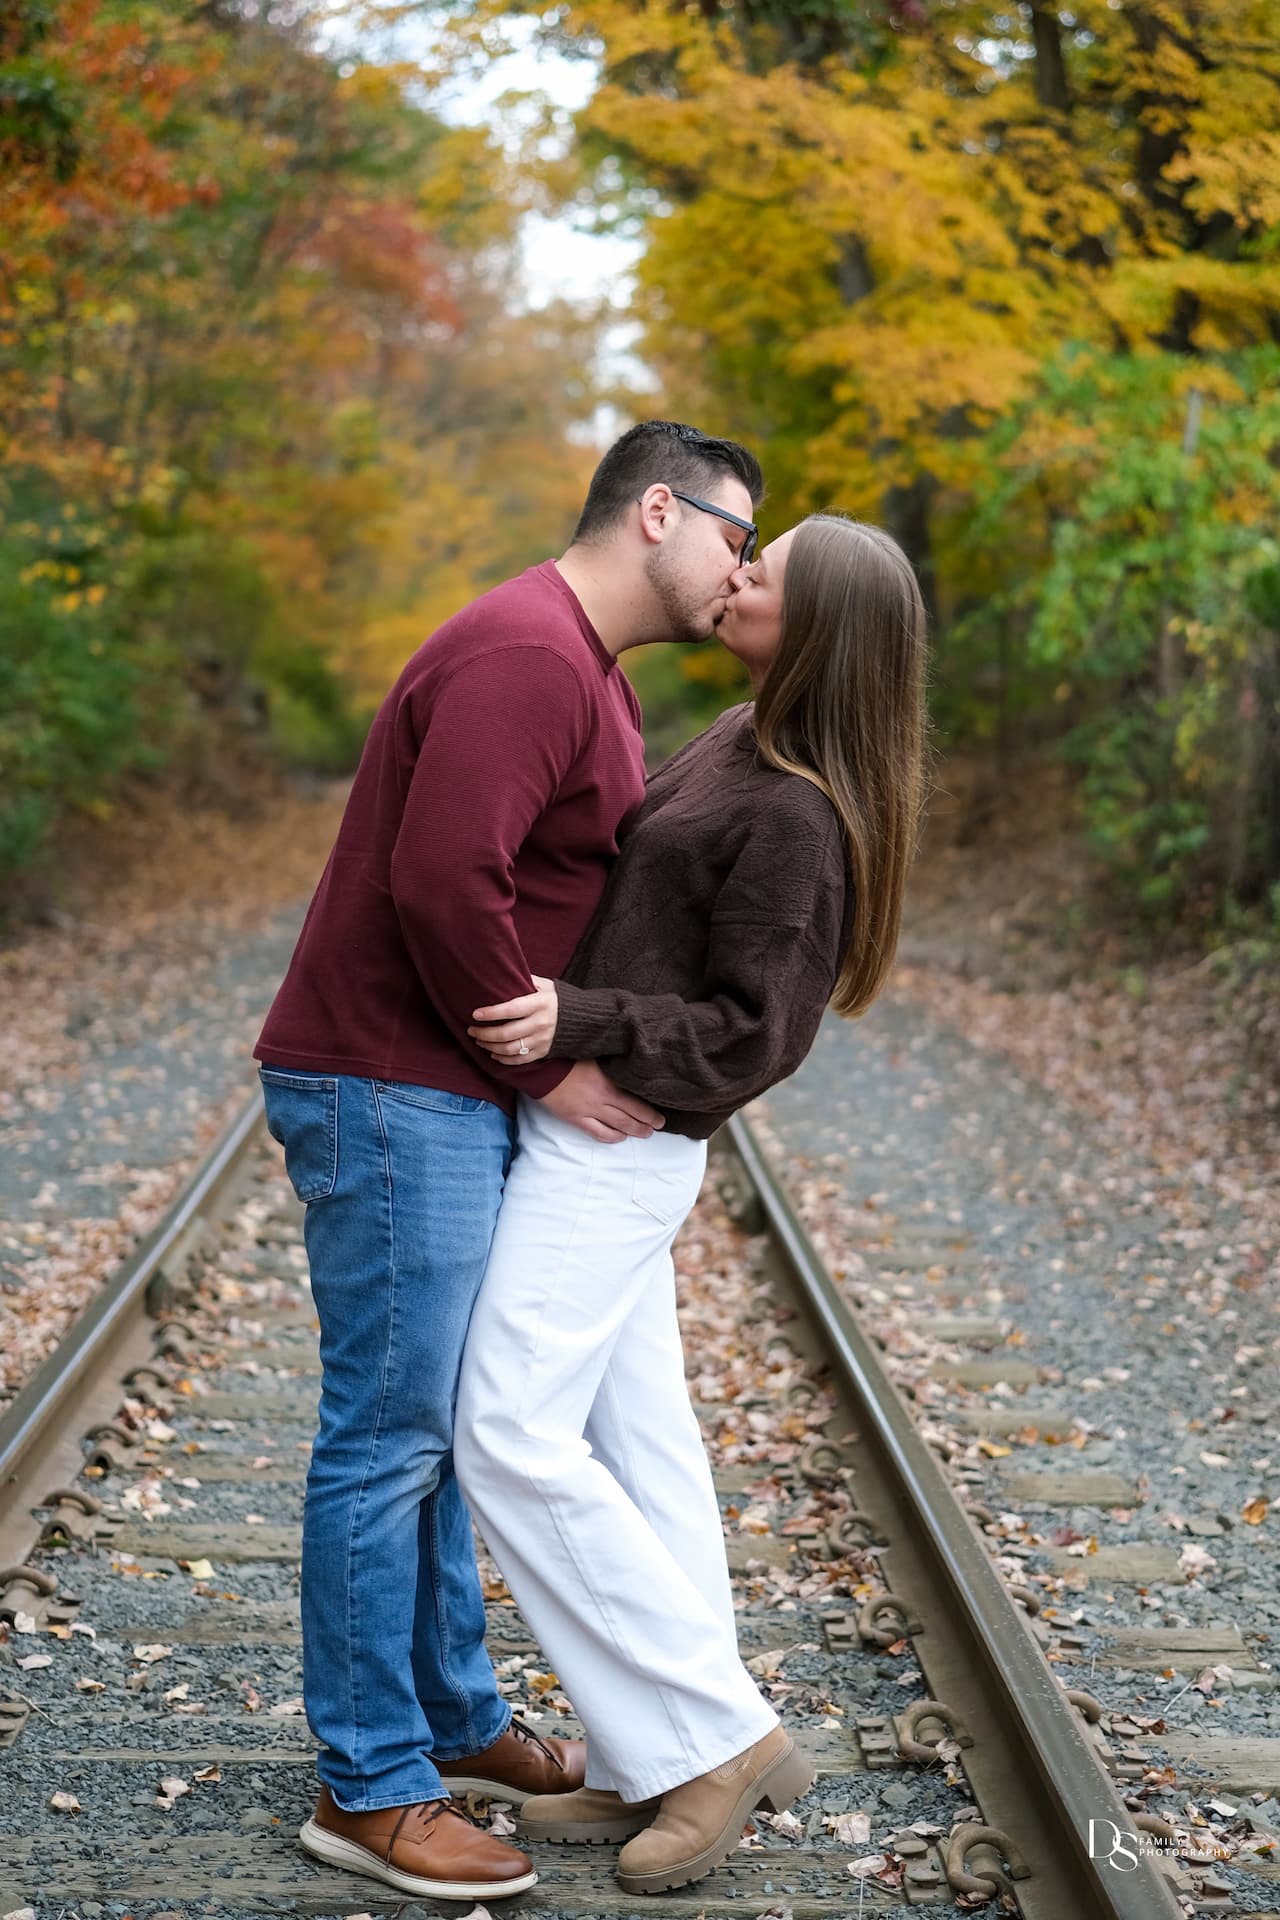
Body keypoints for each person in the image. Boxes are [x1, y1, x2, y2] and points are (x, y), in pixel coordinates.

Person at [252, 421, 765, 1905]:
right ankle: (370, 1784)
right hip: (388, 1080)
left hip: (434, 1084)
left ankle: (456, 1718)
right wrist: (553, 1063)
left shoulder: (582, 669)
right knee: (392, 1433)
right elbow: (439, 878)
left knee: (438, 1424)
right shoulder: (529, 656)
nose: (741, 565)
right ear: (658, 510)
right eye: (737, 532)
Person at [454, 513, 930, 1898]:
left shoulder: (799, 812)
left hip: (627, 1140)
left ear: (820, 625)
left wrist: (575, 1021)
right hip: (613, 1133)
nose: (737, 575)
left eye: (764, 572)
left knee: (508, 1430)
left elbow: (755, 1035)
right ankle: (645, 1748)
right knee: (635, 1433)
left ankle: (713, 1737)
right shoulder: (741, 734)